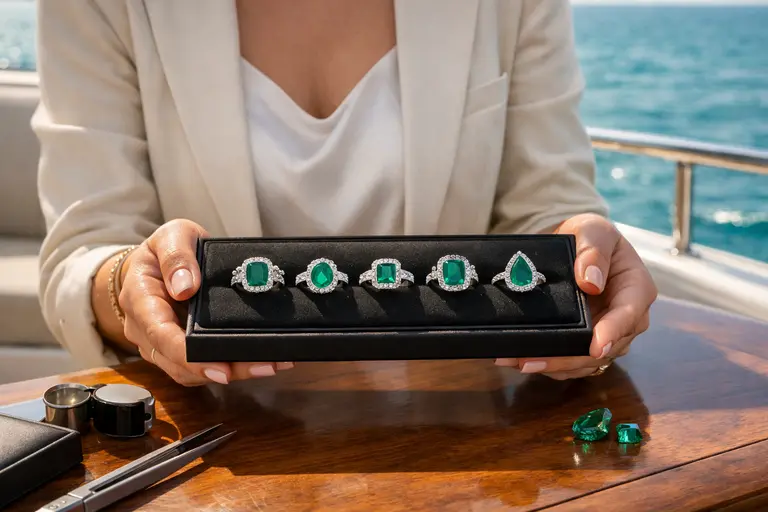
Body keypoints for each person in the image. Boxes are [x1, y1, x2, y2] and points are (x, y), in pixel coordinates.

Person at [34, 0, 656, 386]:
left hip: (464, 431)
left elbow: (548, 205)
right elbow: (84, 252)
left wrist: (580, 262)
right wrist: (127, 285)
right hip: (215, 446)